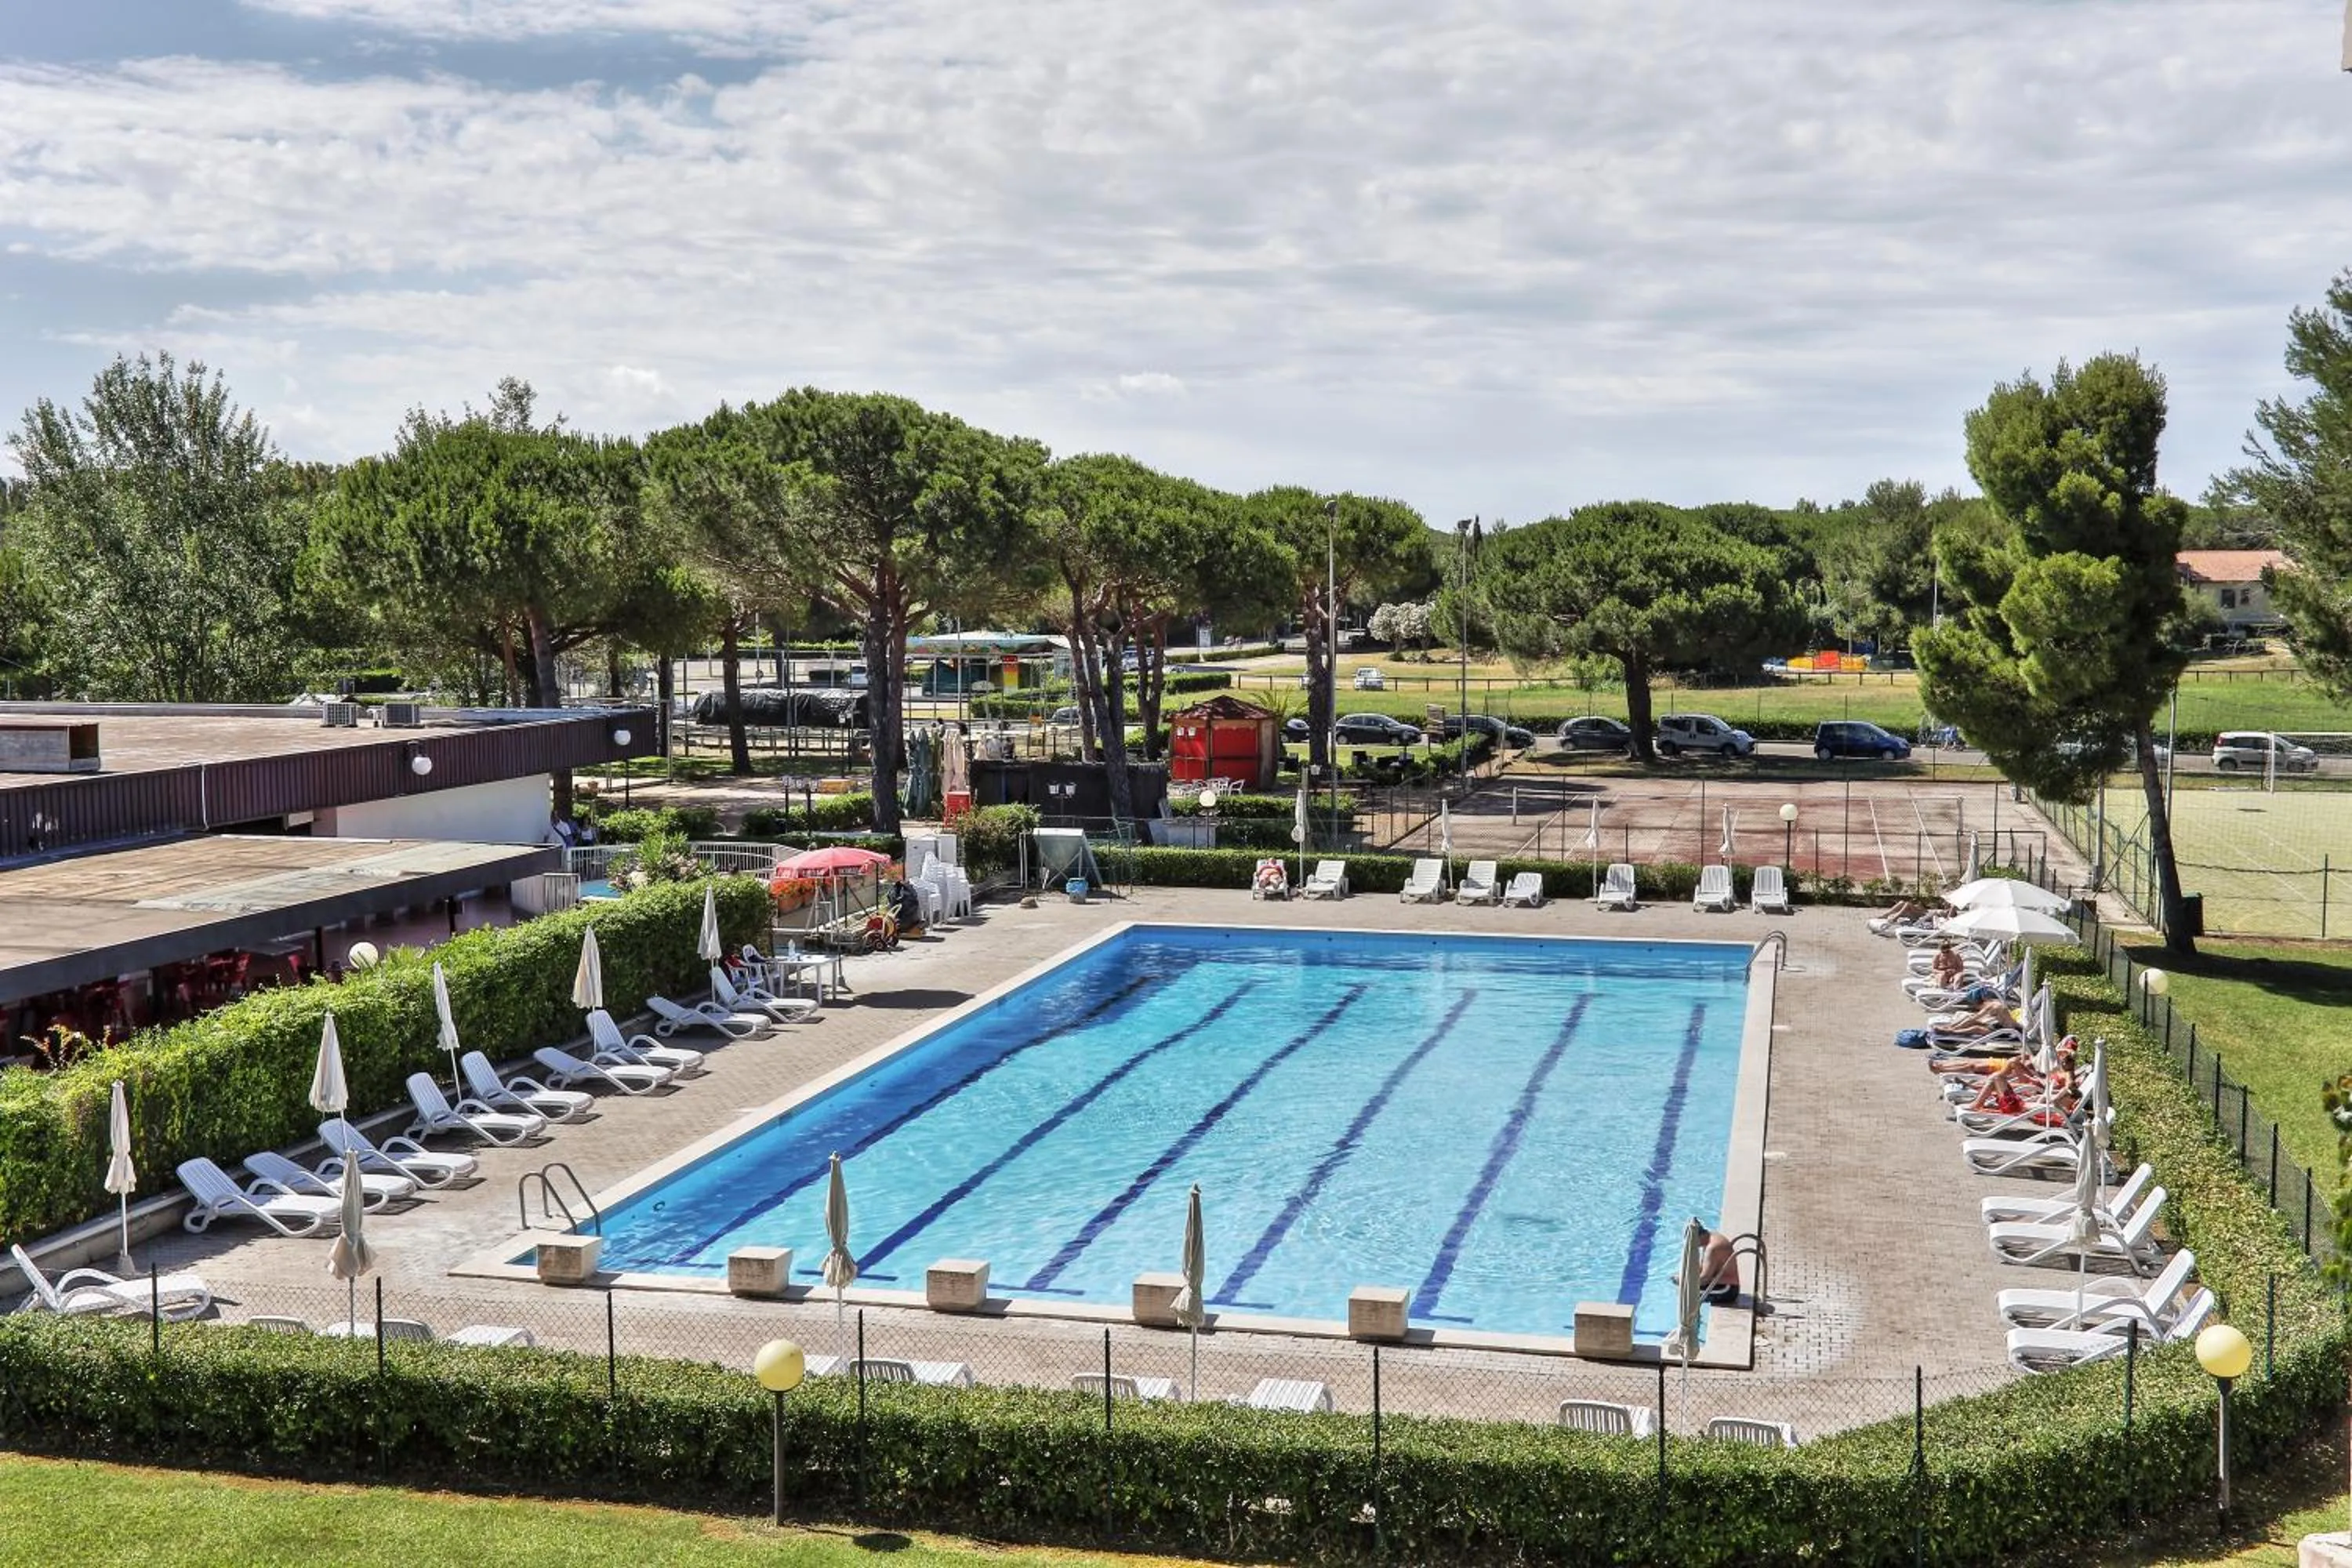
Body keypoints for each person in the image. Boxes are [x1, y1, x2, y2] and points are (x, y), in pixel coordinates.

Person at [1697, 1229, 1740, 1305]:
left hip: (1727, 1290)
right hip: (1721, 1284)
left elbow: (1704, 1279)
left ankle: (1694, 1316)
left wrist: (1685, 1282)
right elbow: (1703, 1267)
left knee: (1688, 1292)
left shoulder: (1712, 1248)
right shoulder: (1712, 1238)